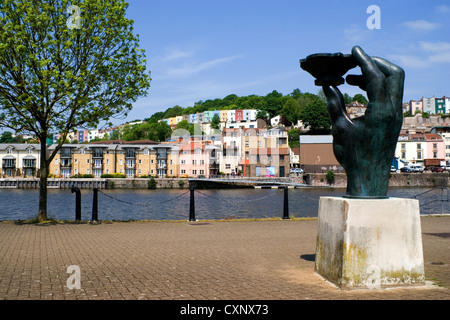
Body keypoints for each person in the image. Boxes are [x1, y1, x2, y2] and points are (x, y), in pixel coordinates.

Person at [322, 46, 405, 198]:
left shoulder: (348, 132)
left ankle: (369, 189)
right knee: (398, 74)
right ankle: (375, 188)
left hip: (360, 189)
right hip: (377, 190)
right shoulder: (390, 120)